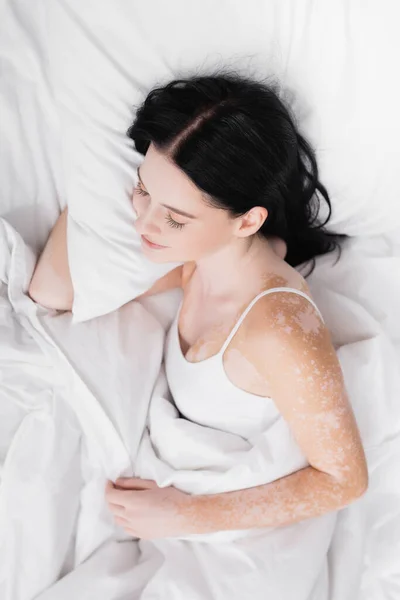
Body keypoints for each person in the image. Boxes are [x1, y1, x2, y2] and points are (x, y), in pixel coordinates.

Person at [29, 74, 368, 540]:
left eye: (174, 216)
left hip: (238, 528)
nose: (143, 222)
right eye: (143, 189)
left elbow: (343, 480)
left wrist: (186, 516)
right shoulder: (198, 261)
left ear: (247, 220)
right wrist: (92, 176)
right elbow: (55, 292)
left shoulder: (279, 329)